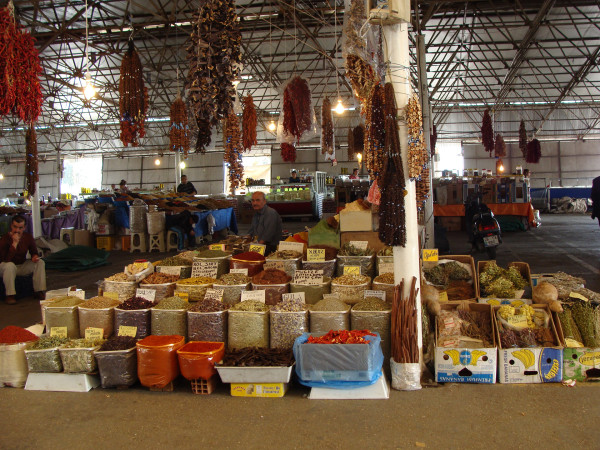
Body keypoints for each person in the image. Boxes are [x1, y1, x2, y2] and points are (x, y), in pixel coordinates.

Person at [0, 215, 46, 304]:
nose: (17, 230)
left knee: (40, 262)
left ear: (24, 228)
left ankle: (39, 291)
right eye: (15, 227)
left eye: (20, 228)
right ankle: (10, 295)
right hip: (5, 267)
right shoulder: (4, 239)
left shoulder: (28, 237)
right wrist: (14, 243)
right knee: (10, 266)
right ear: (11, 226)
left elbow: (34, 251)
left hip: (21, 265)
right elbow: (6, 259)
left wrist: (35, 257)